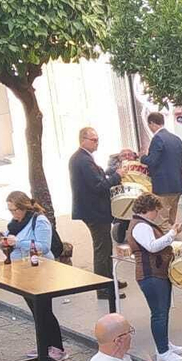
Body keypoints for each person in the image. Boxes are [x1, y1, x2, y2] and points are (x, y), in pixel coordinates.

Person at [2, 192, 67, 361]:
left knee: (44, 310)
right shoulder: (13, 224)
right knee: (35, 310)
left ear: (24, 207)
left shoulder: (39, 221)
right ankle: (44, 345)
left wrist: (17, 243)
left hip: (41, 270)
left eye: (15, 209)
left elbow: (43, 247)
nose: (13, 213)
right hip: (22, 270)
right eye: (10, 210)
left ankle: (57, 347)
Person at [126, 192, 182, 361]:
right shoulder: (141, 226)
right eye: (155, 210)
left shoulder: (142, 224)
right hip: (151, 274)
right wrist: (172, 234)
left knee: (163, 310)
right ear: (148, 209)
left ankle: (165, 343)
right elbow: (152, 247)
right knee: (159, 313)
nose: (157, 214)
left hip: (156, 273)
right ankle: (162, 351)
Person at [69, 127, 126, 299]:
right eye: (93, 140)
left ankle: (109, 281)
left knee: (105, 246)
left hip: (94, 210)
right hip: (94, 211)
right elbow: (99, 186)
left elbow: (98, 176)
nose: (97, 143)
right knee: (102, 249)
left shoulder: (84, 158)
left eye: (97, 139)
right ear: (83, 140)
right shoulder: (83, 160)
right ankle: (103, 288)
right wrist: (116, 176)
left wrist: (111, 172)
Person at [140, 111, 182, 231]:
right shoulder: (176, 139)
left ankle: (168, 245)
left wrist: (142, 157)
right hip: (177, 184)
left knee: (161, 219)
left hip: (163, 186)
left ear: (152, 123)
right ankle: (173, 241)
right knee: (171, 218)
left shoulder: (157, 139)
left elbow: (152, 161)